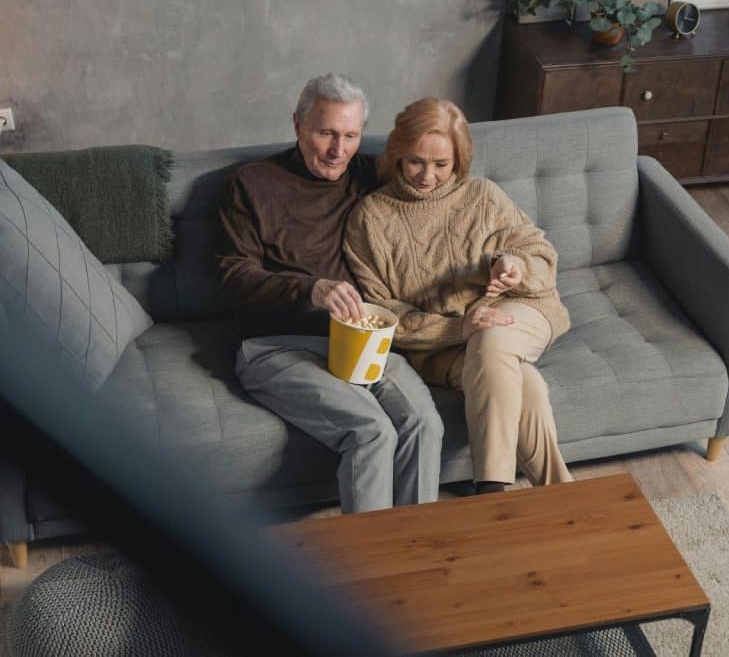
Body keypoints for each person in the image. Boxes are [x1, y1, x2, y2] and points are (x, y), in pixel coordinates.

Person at [215, 73, 444, 514]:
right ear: (298, 125)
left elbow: (447, 192)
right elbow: (233, 277)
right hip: (275, 347)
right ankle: (367, 555)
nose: (339, 150)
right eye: (326, 133)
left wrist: (502, 259)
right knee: (372, 431)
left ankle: (416, 550)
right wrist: (312, 289)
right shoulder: (252, 184)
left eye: (351, 136)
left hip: (364, 339)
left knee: (424, 424)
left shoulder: (370, 176)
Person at [343, 97, 573, 495]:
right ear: (397, 153)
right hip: (443, 347)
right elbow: (381, 312)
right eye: (416, 161)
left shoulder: (482, 195)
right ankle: (565, 496)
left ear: (459, 160)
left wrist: (513, 265)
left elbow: (541, 254)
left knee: (492, 337)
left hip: (518, 309)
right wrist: (458, 328)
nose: (427, 176)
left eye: (441, 164)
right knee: (527, 387)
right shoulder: (369, 219)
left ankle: (490, 490)